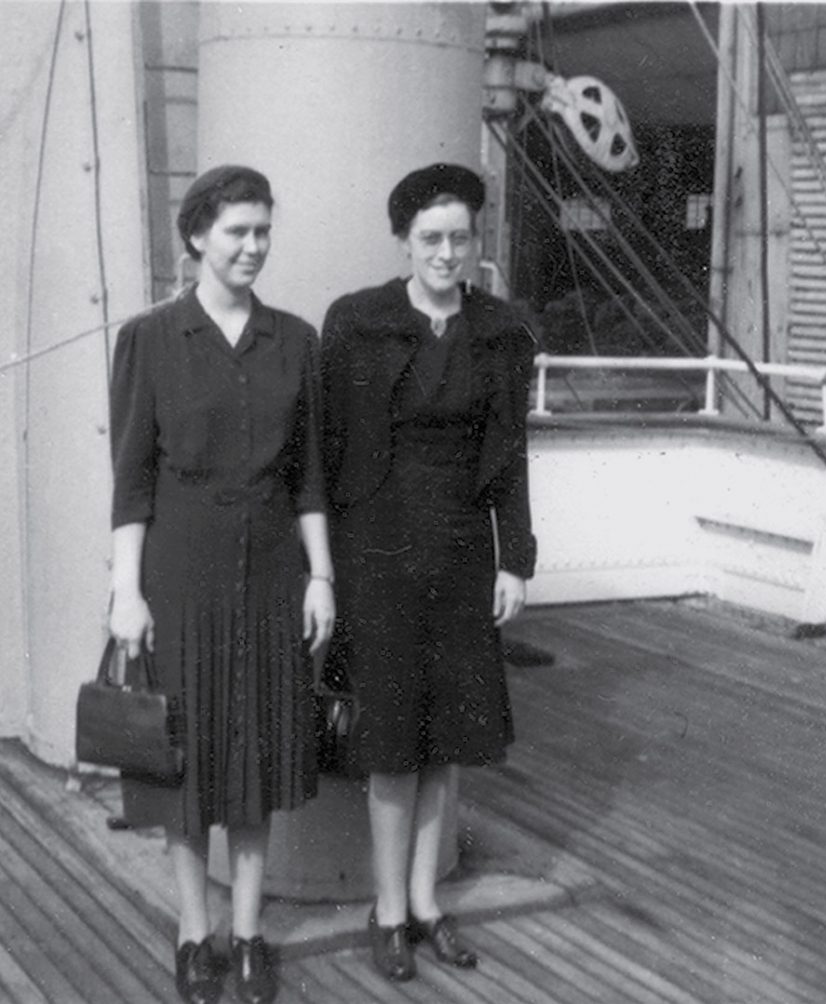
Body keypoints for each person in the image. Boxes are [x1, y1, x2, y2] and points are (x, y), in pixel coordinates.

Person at [108, 165, 334, 1004]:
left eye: (263, 231)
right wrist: (126, 592)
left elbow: (310, 475)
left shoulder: (295, 341)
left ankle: (247, 934)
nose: (252, 246)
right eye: (238, 230)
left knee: (256, 758)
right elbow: (130, 482)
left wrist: (323, 578)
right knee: (186, 763)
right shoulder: (151, 339)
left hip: (274, 574)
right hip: (180, 577)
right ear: (197, 235)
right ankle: (192, 931)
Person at [320, 163, 537, 982]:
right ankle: (386, 913)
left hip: (461, 553)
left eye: (461, 238)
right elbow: (328, 444)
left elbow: (513, 457)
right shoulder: (358, 323)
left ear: (477, 241)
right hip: (377, 553)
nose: (447, 253)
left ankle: (425, 904)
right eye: (430, 239)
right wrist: (323, 566)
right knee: (390, 742)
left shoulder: (501, 331)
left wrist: (514, 558)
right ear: (403, 242)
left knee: (447, 739)